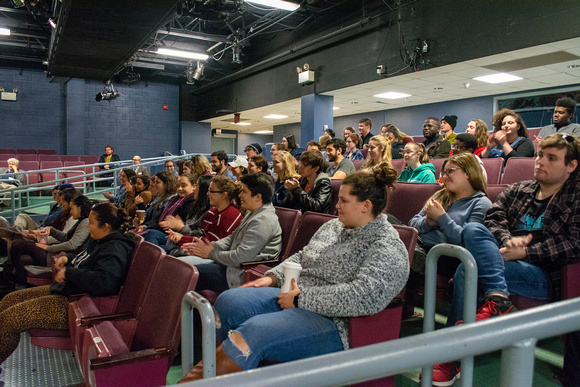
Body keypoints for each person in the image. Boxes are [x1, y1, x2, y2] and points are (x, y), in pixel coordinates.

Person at [179, 163, 409, 381]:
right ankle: (231, 377)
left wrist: (300, 299)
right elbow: (303, 256)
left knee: (254, 332)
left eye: (343, 201)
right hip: (294, 296)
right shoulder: (334, 226)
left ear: (365, 205)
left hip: (335, 322)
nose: (336, 206)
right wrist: (272, 277)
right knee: (229, 301)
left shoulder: (386, 245)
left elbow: (362, 296)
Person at [433, 134, 580, 385]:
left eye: (551, 158)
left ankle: (451, 356)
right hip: (501, 258)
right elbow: (492, 220)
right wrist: (507, 241)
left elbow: (575, 242)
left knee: (465, 271)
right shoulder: (518, 189)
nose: (540, 162)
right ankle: (498, 297)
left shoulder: (575, 197)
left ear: (571, 166)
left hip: (541, 274)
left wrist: (526, 251)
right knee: (472, 230)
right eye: (540, 155)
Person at [0, 202, 134, 364]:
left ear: (105, 226)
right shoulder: (99, 240)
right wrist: (68, 259)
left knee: (9, 320)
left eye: (91, 223)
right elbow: (85, 260)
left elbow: (105, 282)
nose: (88, 227)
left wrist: (70, 273)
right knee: (8, 300)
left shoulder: (115, 248)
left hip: (77, 305)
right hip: (66, 292)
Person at [181, 172, 282, 293]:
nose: (240, 195)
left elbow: (240, 257)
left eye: (244, 192)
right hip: (231, 267)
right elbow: (232, 237)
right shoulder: (253, 212)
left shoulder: (263, 221)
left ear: (258, 197)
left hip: (238, 276)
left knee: (187, 273)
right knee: (182, 267)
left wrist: (211, 253)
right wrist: (210, 246)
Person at [409, 153, 491, 276]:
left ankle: (411, 254)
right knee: (389, 219)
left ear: (468, 173)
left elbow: (467, 242)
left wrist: (441, 218)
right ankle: (413, 253)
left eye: (450, 171)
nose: (445, 176)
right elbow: (412, 223)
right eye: (444, 172)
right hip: (421, 244)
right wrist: (428, 222)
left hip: (448, 255)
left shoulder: (481, 203)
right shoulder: (441, 195)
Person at [5, 194, 93, 288]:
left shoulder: (85, 222)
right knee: (23, 259)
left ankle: (7, 272)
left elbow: (72, 244)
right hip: (60, 253)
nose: (70, 212)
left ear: (80, 207)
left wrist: (49, 248)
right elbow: (66, 238)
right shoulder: (81, 221)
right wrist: (52, 230)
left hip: (62, 256)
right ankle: (17, 286)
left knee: (18, 244)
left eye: (72, 208)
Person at [170, 176, 243, 262]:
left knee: (175, 262)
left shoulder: (229, 215)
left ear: (224, 195)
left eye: (211, 191)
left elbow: (210, 243)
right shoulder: (213, 212)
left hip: (215, 258)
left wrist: (182, 238)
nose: (207, 194)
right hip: (201, 249)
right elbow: (199, 232)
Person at [142, 174, 196, 249]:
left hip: (175, 236)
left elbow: (173, 224)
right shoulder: (174, 199)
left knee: (152, 234)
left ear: (194, 186)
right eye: (178, 186)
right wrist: (145, 226)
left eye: (183, 186)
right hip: (163, 232)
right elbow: (158, 219)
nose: (180, 189)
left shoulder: (192, 202)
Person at [159, 175, 212, 252]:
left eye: (197, 186)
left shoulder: (208, 211)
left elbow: (200, 234)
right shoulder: (195, 205)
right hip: (182, 240)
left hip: (193, 245)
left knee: (153, 238)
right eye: (178, 186)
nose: (195, 189)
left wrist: (180, 228)